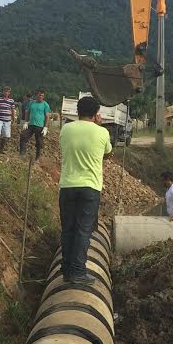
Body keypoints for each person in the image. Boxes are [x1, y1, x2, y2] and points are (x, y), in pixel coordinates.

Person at [59, 95, 113, 284]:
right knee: (83, 231)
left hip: (67, 186)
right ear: (97, 114)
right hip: (90, 187)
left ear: (77, 111)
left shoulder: (66, 129)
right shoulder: (102, 133)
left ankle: (66, 270)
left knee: (68, 230)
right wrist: (98, 126)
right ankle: (78, 272)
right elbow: (107, 154)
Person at [18, 89, 51, 160]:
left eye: (42, 95)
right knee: (23, 136)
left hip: (40, 126)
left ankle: (37, 158)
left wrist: (45, 127)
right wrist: (26, 122)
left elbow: (47, 116)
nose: (40, 97)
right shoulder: (32, 103)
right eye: (39, 95)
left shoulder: (45, 105)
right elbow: (27, 112)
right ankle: (22, 155)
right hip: (31, 125)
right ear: (36, 95)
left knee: (39, 142)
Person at [0, 85, 15, 154]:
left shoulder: (11, 101)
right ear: (3, 92)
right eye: (5, 91)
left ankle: (1, 150)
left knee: (6, 136)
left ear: (9, 93)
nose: (6, 93)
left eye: (8, 92)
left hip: (8, 120)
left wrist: (13, 119)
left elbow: (13, 110)